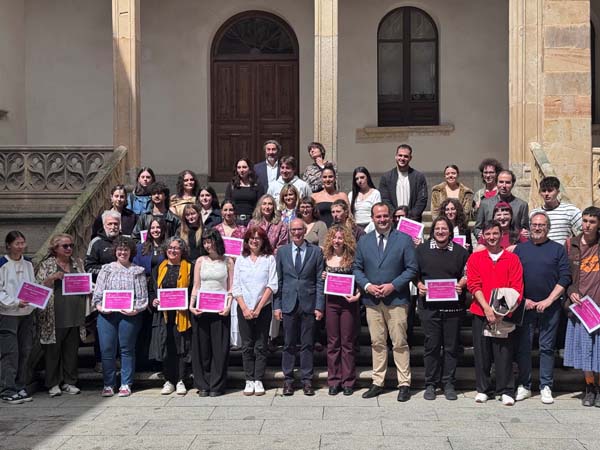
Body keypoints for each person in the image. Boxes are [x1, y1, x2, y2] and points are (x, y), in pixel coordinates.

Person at [353, 202, 418, 401]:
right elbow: (357, 268)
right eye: (378, 216)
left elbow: (412, 269)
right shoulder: (364, 241)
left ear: (391, 217)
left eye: (385, 216)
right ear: (372, 218)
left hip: (396, 299)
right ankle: (377, 381)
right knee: (377, 342)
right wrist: (367, 286)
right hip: (372, 300)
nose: (382, 219)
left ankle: (404, 383)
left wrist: (393, 285)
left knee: (399, 342)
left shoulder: (404, 239)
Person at [513, 211, 570, 404]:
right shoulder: (520, 249)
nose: (537, 228)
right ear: (530, 227)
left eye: (542, 225)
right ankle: (525, 385)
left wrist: (549, 300)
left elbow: (565, 277)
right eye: (535, 224)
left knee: (547, 347)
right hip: (526, 306)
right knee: (524, 347)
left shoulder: (558, 249)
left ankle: (546, 386)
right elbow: (513, 277)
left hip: (550, 307)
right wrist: (523, 300)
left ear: (548, 228)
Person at [467, 220, 523, 406]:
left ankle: (506, 390)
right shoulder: (475, 258)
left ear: (501, 235)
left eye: (495, 233)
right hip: (480, 312)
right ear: (483, 236)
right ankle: (483, 389)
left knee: (504, 353)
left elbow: (516, 287)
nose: (492, 237)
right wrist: (487, 308)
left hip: (504, 314)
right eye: (488, 234)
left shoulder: (512, 259)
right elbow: (473, 284)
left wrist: (500, 312)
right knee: (482, 353)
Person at [415, 217, 469, 401]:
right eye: (437, 228)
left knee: (451, 347)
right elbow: (413, 272)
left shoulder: (460, 252)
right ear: (432, 231)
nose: (440, 231)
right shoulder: (422, 250)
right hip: (429, 308)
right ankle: (430, 384)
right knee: (431, 346)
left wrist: (462, 283)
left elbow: (467, 273)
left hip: (453, 308)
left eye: (444, 228)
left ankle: (448, 383)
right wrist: (419, 284)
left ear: (450, 231)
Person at [91, 236, 148, 397]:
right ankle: (108, 384)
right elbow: (98, 293)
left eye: (126, 250)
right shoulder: (106, 269)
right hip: (107, 315)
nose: (123, 252)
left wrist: (135, 309)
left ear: (131, 252)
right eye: (120, 249)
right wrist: (100, 307)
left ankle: (125, 383)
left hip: (129, 315)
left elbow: (142, 297)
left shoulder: (137, 271)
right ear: (115, 251)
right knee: (107, 350)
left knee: (127, 349)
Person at [274, 218, 325, 396]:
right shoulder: (282, 252)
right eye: (293, 230)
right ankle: (288, 380)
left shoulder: (316, 252)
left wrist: (319, 306)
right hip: (288, 303)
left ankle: (307, 380)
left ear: (305, 231)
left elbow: (319, 281)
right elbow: (279, 280)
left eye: (299, 229)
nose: (296, 233)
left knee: (307, 344)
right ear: (289, 232)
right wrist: (277, 305)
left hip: (308, 303)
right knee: (288, 344)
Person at [36, 234, 87, 397]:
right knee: (53, 352)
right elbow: (38, 288)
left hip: (75, 313)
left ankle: (70, 382)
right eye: (65, 246)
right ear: (55, 248)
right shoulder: (47, 265)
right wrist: (51, 278)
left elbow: (84, 282)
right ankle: (53, 383)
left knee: (71, 351)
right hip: (54, 315)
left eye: (71, 245)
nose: (69, 248)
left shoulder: (77, 262)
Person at [232, 226, 277, 396]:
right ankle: (249, 379)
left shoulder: (269, 259)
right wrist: (244, 308)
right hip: (244, 308)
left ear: (263, 241)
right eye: (251, 238)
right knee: (247, 345)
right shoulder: (240, 259)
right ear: (247, 241)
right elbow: (236, 286)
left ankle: (258, 379)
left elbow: (272, 285)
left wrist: (258, 308)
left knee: (261, 345)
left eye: (258, 238)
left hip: (263, 309)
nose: (254, 241)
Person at [563, 207, 600, 407]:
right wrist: (571, 291)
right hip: (581, 308)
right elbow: (564, 274)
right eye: (585, 220)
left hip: (598, 306)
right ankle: (590, 387)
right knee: (585, 352)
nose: (587, 225)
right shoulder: (571, 244)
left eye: (592, 222)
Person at [189, 229, 234, 397]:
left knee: (219, 349)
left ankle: (217, 385)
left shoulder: (228, 261)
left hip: (220, 310)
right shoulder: (200, 261)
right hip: (202, 309)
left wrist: (228, 306)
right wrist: (191, 305)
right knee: (202, 348)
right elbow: (196, 285)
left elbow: (231, 287)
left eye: (210, 242)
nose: (208, 245)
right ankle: (203, 384)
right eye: (205, 242)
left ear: (217, 242)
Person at [148, 237, 193, 396]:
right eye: (170, 248)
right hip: (164, 315)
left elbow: (194, 289)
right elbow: (152, 289)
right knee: (166, 346)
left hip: (183, 314)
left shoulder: (189, 267)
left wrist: (188, 301)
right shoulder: (158, 268)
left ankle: (181, 379)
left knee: (182, 347)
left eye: (176, 248)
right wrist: (153, 300)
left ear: (182, 251)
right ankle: (169, 380)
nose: (173, 251)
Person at [323, 225, 360, 396]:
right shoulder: (325, 257)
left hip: (348, 304)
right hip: (331, 303)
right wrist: (323, 276)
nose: (336, 241)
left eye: (340, 238)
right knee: (333, 343)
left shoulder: (352, 258)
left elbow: (360, 279)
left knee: (347, 343)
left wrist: (358, 295)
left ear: (346, 240)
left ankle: (348, 381)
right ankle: (334, 380)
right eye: (334, 237)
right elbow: (319, 280)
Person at [0, 231, 36, 404]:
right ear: (8, 245)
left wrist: (35, 299)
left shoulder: (28, 263)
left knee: (25, 350)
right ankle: (7, 389)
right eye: (17, 244)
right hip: (8, 314)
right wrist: (14, 302)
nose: (21, 246)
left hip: (26, 313)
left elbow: (32, 285)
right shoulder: (2, 264)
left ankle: (20, 386)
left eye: (23, 243)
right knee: (10, 353)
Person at [132, 218, 167, 371]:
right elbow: (135, 267)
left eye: (158, 227)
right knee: (144, 326)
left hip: (162, 290)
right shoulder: (141, 248)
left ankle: (159, 360)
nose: (155, 230)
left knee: (159, 327)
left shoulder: (168, 247)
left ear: (163, 229)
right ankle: (143, 362)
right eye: (152, 228)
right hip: (144, 289)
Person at [214, 199, 246, 350]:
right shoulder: (216, 230)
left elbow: (247, 250)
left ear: (235, 212)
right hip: (220, 269)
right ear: (221, 212)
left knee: (235, 302)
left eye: (231, 210)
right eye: (225, 210)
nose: (228, 213)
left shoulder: (243, 230)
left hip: (238, 269)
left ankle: (237, 339)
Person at [379, 144, 428, 222]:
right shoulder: (386, 178)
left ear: (410, 158)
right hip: (393, 220)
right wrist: (396, 215)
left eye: (406, 156)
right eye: (400, 155)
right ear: (396, 156)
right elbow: (385, 199)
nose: (402, 158)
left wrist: (410, 216)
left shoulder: (419, 177)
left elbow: (422, 200)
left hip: (413, 221)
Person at [474, 170, 529, 238]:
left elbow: (526, 230)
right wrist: (479, 234)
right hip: (491, 241)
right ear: (496, 183)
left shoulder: (522, 205)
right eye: (501, 182)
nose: (504, 185)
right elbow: (477, 228)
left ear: (513, 184)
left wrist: (525, 233)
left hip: (514, 243)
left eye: (507, 182)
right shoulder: (485, 204)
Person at [530, 176, 582, 245]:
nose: (546, 194)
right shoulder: (534, 214)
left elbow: (584, 230)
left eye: (550, 190)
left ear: (558, 192)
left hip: (562, 250)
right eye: (544, 191)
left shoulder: (570, 210)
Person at [225, 158, 265, 226]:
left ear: (249, 169)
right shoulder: (232, 185)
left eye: (244, 167)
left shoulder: (257, 185)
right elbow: (227, 202)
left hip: (252, 221)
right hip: (235, 221)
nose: (241, 170)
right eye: (239, 167)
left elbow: (260, 204)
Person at [85, 210, 121, 281]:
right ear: (104, 225)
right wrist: (109, 270)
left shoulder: (127, 241)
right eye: (109, 224)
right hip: (102, 282)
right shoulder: (95, 242)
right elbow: (89, 268)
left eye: (116, 224)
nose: (113, 227)